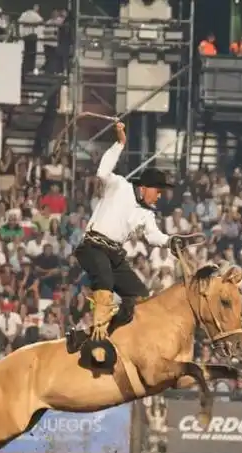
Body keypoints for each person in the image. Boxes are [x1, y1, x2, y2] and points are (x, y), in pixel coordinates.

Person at [66, 121, 183, 364]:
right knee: (105, 281)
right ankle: (97, 343)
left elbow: (154, 236)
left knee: (140, 298)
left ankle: (91, 335)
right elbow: (102, 172)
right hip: (93, 246)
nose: (159, 196)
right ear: (145, 188)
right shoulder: (120, 186)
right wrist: (120, 143)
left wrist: (172, 241)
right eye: (158, 191)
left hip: (114, 254)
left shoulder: (147, 213)